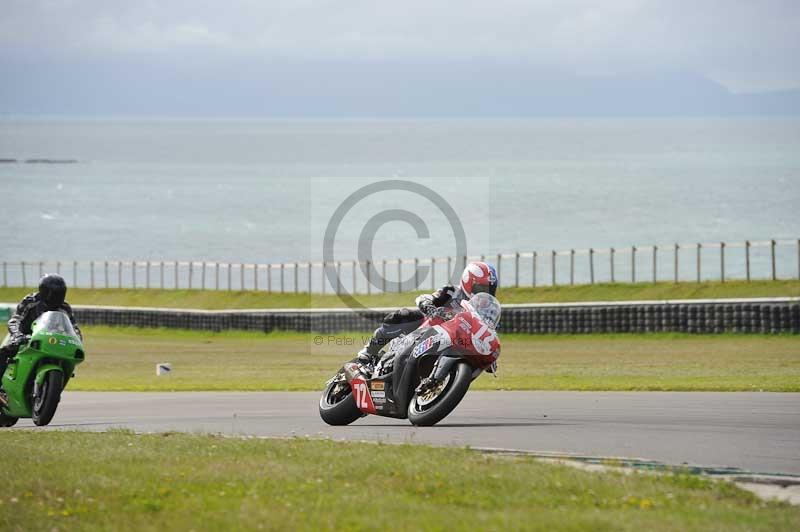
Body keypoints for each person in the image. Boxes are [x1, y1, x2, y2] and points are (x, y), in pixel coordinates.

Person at [357, 261, 498, 362]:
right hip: (425, 332)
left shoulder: (487, 311)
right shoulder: (452, 292)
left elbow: (489, 332)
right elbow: (425, 298)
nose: (486, 293)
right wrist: (429, 307)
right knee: (402, 315)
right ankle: (369, 351)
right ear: (468, 282)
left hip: (456, 343)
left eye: (490, 289)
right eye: (481, 288)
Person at [0, 274, 82, 390]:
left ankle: (51, 391)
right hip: (24, 336)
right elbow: (16, 319)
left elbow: (74, 328)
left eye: (59, 293)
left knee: (68, 362)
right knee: (4, 352)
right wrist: (17, 334)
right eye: (53, 293)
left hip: (50, 340)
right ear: (44, 291)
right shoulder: (31, 301)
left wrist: (77, 341)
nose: (56, 296)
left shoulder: (65, 308)